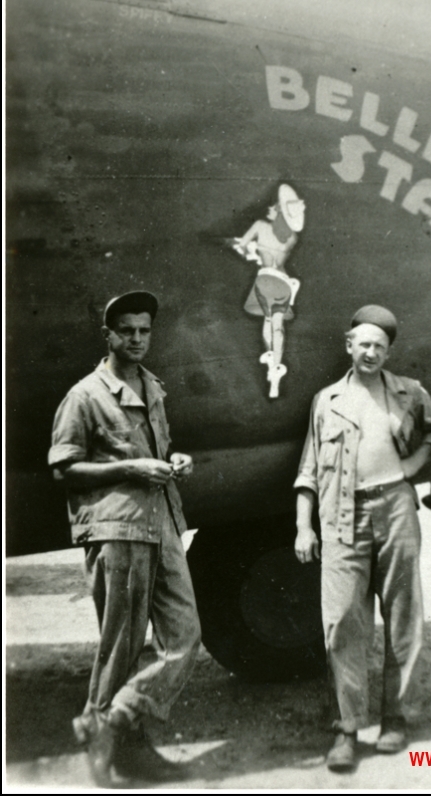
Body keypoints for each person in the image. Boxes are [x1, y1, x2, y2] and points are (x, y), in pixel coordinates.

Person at [48, 291, 202, 786]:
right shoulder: (85, 395)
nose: (137, 338)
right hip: (117, 527)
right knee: (123, 644)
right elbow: (64, 468)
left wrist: (175, 461)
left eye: (145, 330)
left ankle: (109, 722)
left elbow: (156, 447)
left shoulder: (152, 387)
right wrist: (131, 468)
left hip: (163, 522)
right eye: (127, 330)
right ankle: (121, 749)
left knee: (184, 635)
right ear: (108, 335)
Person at [294, 305, 431, 771]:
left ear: (388, 351)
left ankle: (395, 718)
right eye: (364, 344)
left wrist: (413, 471)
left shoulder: (409, 392)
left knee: (403, 615)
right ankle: (347, 728)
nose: (371, 352)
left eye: (380, 346)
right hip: (340, 516)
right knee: (341, 623)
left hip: (395, 509)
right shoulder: (327, 400)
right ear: (348, 344)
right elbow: (309, 469)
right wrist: (303, 525)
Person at [232, 183, 306, 398]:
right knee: (277, 326)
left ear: (279, 210)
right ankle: (275, 368)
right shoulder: (293, 237)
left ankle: (271, 362)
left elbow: (241, 246)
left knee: (267, 322)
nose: (269, 208)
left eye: (274, 206)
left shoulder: (259, 225)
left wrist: (253, 251)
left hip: (264, 280)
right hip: (282, 281)